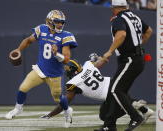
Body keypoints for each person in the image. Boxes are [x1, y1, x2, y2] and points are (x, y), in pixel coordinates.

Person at [41, 54, 154, 129]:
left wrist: (50, 114)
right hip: (114, 84)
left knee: (107, 116)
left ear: (72, 71)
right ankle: (143, 109)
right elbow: (102, 60)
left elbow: (64, 103)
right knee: (106, 113)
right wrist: (98, 57)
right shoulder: (88, 65)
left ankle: (134, 106)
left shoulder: (73, 83)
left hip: (109, 94)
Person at [5, 10, 78, 120]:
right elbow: (28, 40)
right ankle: (18, 108)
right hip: (40, 69)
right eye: (57, 22)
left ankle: (67, 110)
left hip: (54, 74)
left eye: (62, 22)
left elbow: (66, 59)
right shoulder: (42, 29)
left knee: (58, 98)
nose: (60, 24)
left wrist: (56, 54)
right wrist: (19, 49)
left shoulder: (66, 36)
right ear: (49, 21)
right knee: (23, 87)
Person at [95, 0, 153, 130]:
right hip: (136, 58)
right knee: (116, 91)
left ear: (113, 7)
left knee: (116, 90)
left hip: (130, 59)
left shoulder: (119, 18)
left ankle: (135, 117)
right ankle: (109, 125)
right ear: (125, 6)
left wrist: (109, 52)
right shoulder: (135, 16)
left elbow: (121, 34)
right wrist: (138, 45)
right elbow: (149, 31)